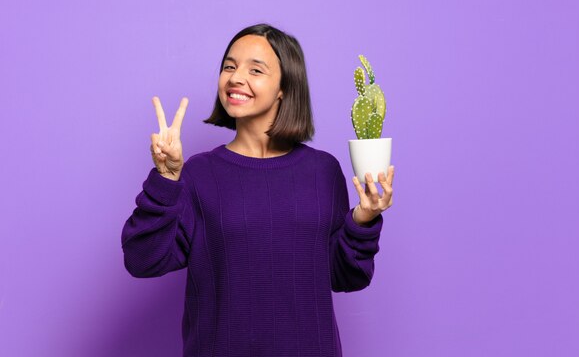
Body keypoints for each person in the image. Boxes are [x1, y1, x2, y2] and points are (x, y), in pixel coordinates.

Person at [121, 23, 394, 357]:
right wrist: (166, 178)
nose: (236, 78)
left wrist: (362, 220)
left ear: (284, 87)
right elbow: (142, 260)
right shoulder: (198, 173)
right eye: (229, 67)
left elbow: (345, 276)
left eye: (255, 69)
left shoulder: (323, 171)